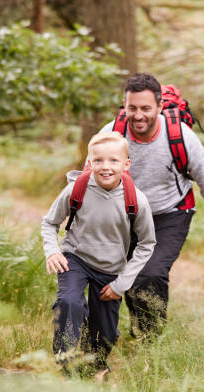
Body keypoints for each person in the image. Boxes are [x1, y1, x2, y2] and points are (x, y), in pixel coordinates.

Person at [97, 72, 204, 337]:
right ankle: (136, 331)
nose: (138, 115)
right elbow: (87, 179)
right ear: (124, 106)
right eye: (132, 108)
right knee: (124, 273)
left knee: (151, 273)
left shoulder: (181, 137)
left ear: (159, 107)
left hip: (171, 213)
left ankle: (149, 342)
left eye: (146, 108)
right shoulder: (112, 134)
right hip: (126, 215)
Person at [42, 132, 156, 373]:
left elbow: (147, 244)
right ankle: (66, 363)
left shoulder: (137, 200)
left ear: (126, 164)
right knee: (69, 302)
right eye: (98, 161)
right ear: (89, 162)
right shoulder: (76, 189)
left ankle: (96, 363)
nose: (106, 167)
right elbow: (49, 222)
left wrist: (121, 284)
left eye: (114, 161)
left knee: (103, 335)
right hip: (76, 258)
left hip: (111, 269)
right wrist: (52, 251)